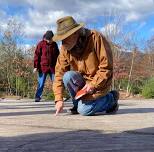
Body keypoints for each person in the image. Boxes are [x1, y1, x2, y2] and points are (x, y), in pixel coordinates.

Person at [52, 16, 119, 116]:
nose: (63, 42)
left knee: (85, 110)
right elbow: (59, 74)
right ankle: (77, 104)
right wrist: (58, 99)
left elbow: (106, 67)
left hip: (100, 83)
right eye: (61, 39)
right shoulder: (64, 49)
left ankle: (111, 99)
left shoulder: (95, 37)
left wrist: (93, 84)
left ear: (75, 33)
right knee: (68, 76)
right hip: (83, 85)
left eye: (65, 38)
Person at [33, 30, 59, 102]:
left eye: (51, 39)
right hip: (42, 67)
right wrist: (36, 66)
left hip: (53, 67)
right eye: (48, 39)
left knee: (56, 83)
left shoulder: (55, 44)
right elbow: (36, 55)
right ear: (45, 38)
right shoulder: (40, 44)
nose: (49, 41)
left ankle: (58, 97)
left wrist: (59, 66)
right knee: (41, 83)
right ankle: (37, 97)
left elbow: (58, 56)